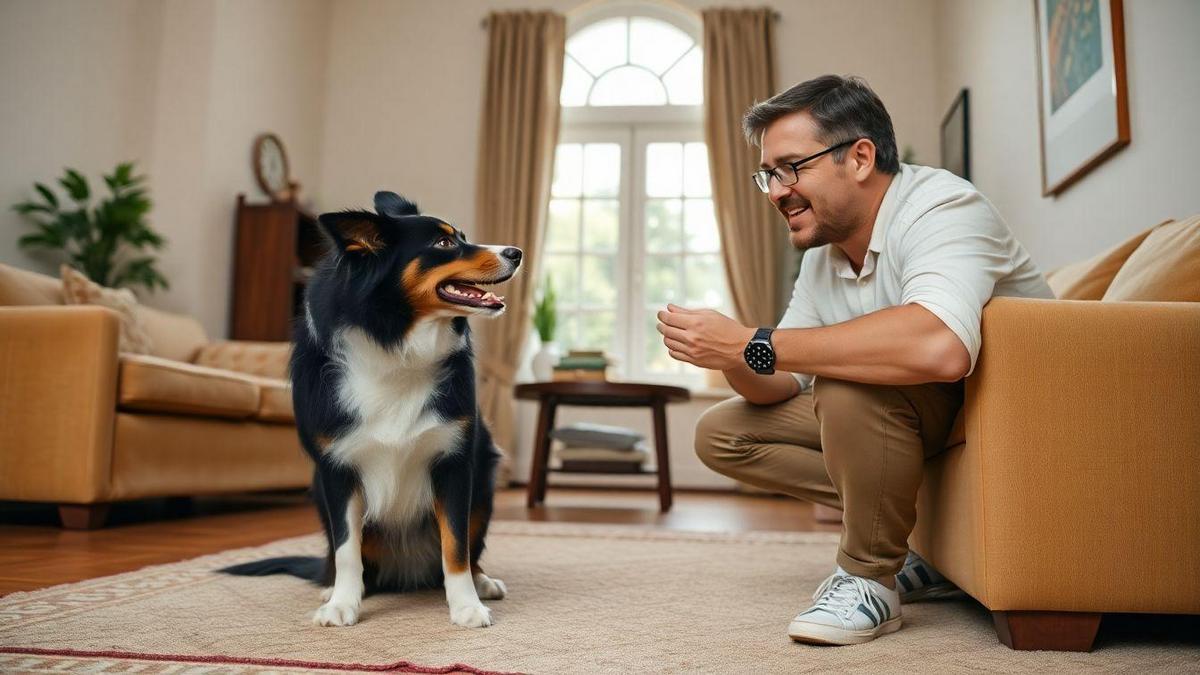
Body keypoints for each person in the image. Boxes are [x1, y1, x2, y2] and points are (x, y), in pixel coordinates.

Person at [656, 74, 1053, 646]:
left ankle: (870, 580)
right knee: (723, 432)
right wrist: (729, 352)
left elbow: (940, 346)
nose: (775, 191)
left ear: (860, 157)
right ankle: (922, 553)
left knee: (846, 386)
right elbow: (779, 383)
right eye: (768, 175)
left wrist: (751, 342)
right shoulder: (826, 256)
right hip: (919, 421)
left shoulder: (943, 206)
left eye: (790, 167)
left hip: (996, 411)